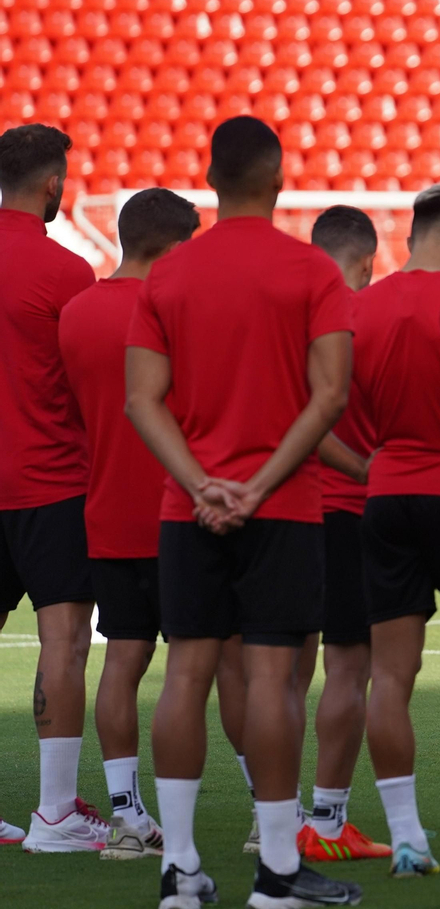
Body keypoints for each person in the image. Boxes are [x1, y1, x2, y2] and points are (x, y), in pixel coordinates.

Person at [125, 116, 362, 909]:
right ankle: (278, 875)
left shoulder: (168, 276)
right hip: (285, 504)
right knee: (271, 678)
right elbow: (329, 393)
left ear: (212, 180)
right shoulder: (311, 271)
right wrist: (258, 487)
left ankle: (180, 870)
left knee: (185, 673)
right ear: (278, 177)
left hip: (186, 507)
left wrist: (200, 484)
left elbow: (141, 401)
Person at [349, 182, 440, 879]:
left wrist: (369, 465)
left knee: (388, 678)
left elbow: (330, 412)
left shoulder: (362, 307)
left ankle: (407, 839)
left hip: (386, 493)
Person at [58, 187, 199, 860]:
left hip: (105, 508)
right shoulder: (177, 311)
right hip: (181, 510)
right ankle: (266, 813)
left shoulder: (76, 312)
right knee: (210, 666)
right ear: (173, 247)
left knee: (122, 659)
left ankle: (126, 817)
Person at [0, 123, 107, 854]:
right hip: (49, 480)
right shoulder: (68, 274)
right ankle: (57, 813)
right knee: (64, 639)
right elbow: (89, 390)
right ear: (51, 186)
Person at [299, 204, 390, 864]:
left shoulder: (288, 317)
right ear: (366, 259)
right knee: (350, 668)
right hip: (356, 509)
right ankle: (327, 821)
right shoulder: (368, 318)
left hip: (291, 510)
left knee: (278, 668)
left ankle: (270, 815)